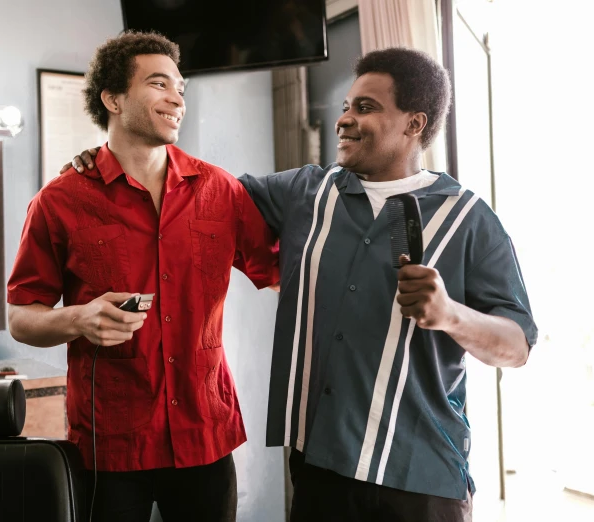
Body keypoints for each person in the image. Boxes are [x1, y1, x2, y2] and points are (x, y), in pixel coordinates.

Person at [67, 47, 537, 522]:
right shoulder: (304, 192)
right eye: (347, 106)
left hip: (422, 478)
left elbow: (516, 347)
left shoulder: (470, 220)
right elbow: (193, 191)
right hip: (319, 471)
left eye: (366, 108)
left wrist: (451, 315)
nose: (345, 119)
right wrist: (112, 155)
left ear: (414, 124)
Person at [7, 32, 278, 522]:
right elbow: (21, 318)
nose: (177, 99)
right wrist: (79, 319)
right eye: (159, 84)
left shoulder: (221, 190)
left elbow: (281, 272)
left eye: (181, 88)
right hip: (111, 443)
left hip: (205, 432)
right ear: (113, 99)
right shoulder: (59, 201)